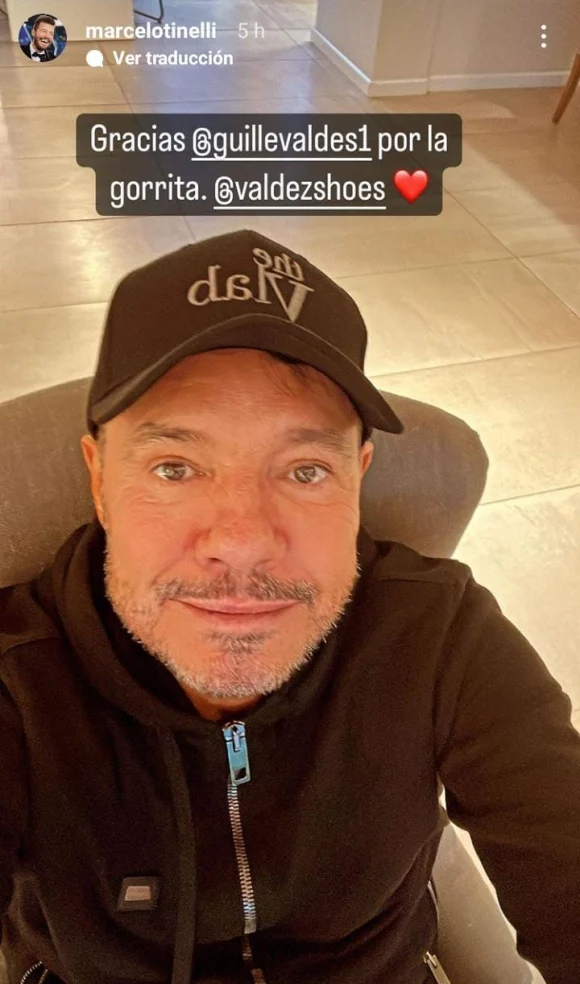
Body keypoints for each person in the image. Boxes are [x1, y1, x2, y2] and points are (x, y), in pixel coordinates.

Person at [0, 229, 579, 984]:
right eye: (174, 467)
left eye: (305, 470)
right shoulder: (17, 680)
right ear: (100, 479)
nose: (242, 542)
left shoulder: (442, 638)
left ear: (358, 477)